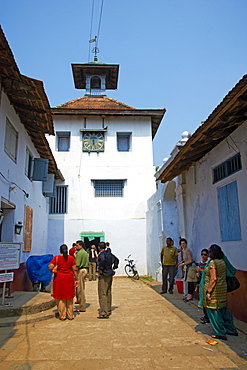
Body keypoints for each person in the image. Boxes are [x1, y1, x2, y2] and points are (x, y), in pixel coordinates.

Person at [199, 244, 238, 340]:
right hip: (222, 289)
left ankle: (219, 332)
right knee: (223, 310)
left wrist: (208, 292)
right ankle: (231, 329)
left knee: (213, 312)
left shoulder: (213, 263)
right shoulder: (222, 261)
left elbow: (213, 279)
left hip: (214, 291)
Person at [48, 244, 78, 321]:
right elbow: (74, 269)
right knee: (69, 297)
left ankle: (62, 315)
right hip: (69, 278)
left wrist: (50, 267)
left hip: (59, 279)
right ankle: (70, 315)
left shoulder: (56, 258)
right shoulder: (71, 258)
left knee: (60, 297)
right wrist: (76, 279)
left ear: (60, 250)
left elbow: (51, 267)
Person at [97, 242, 119, 319]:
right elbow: (116, 260)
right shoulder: (109, 254)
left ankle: (104, 312)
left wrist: (101, 269)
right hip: (109, 273)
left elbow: (102, 260)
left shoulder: (102, 254)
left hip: (104, 275)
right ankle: (108, 309)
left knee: (102, 293)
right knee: (108, 292)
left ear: (99, 247)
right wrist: (114, 267)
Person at [196, 249, 210, 324]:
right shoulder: (200, 263)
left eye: (205, 254)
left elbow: (208, 272)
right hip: (201, 283)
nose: (203, 256)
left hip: (206, 283)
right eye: (202, 254)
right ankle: (205, 315)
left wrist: (201, 270)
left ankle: (208, 317)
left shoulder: (209, 264)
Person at [75, 240, 89, 312]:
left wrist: (75, 275)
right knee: (81, 288)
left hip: (81, 270)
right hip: (85, 269)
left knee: (80, 289)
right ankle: (81, 303)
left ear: (81, 246)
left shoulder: (80, 253)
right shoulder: (85, 252)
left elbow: (77, 265)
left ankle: (82, 306)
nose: (75, 247)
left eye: (77, 245)